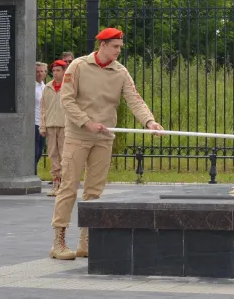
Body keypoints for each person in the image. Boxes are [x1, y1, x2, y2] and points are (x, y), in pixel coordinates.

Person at [49, 27, 164, 260]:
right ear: (102, 45)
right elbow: (67, 100)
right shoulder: (78, 66)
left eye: (120, 47)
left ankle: (86, 241)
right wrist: (86, 122)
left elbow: (135, 100)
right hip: (78, 135)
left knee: (94, 190)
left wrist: (149, 122)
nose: (118, 51)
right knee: (68, 187)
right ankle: (58, 242)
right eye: (115, 46)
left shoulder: (120, 72)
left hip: (104, 137)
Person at [40, 59, 68, 196]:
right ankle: (56, 182)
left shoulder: (69, 86)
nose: (55, 73)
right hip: (51, 125)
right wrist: (42, 126)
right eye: (54, 70)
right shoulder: (48, 87)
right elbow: (43, 108)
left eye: (58, 70)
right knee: (53, 154)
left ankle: (64, 184)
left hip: (64, 125)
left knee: (64, 154)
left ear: (64, 72)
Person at [34, 62, 47, 175]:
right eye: (37, 71)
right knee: (34, 151)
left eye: (42, 71)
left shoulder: (45, 87)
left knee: (40, 151)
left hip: (43, 123)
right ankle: (33, 174)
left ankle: (33, 173)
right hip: (33, 123)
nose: (40, 74)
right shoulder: (31, 87)